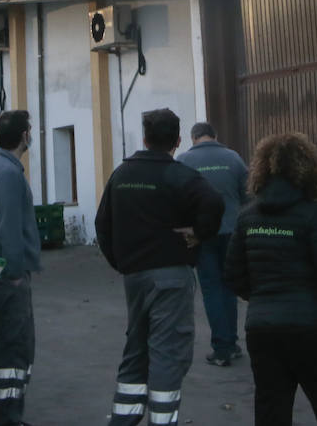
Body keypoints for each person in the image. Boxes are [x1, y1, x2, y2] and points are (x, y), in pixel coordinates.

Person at [95, 108, 224, 426]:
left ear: (145, 138)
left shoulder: (121, 175)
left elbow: (102, 224)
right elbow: (214, 203)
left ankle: (123, 419)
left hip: (135, 276)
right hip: (171, 275)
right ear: (178, 141)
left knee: (137, 347)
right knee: (168, 350)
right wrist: (199, 233)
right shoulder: (179, 175)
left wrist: (122, 262)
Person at [223, 132, 317, 426]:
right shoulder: (314, 215)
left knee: (271, 409)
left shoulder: (247, 217)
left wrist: (261, 299)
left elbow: (233, 274)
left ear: (260, 170)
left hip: (262, 328)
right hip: (312, 327)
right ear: (309, 169)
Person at [0, 109, 41, 426]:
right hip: (8, 275)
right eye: (30, 130)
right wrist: (15, 273)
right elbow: (9, 229)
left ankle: (8, 412)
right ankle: (7, 416)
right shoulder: (8, 174)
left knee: (12, 344)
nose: (31, 135)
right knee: (15, 346)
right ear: (24, 136)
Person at [177, 122, 248, 367]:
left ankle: (221, 348)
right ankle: (231, 343)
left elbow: (177, 199)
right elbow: (247, 195)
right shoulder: (233, 158)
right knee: (229, 287)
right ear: (214, 136)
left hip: (201, 235)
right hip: (232, 232)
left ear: (193, 138)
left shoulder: (184, 161)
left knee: (211, 288)